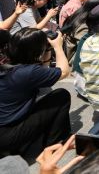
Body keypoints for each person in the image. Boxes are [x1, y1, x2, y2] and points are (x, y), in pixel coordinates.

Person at [0, 29, 71, 163]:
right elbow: (64, 72)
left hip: (3, 128)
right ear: (35, 52)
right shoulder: (27, 72)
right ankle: (54, 146)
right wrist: (58, 47)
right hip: (7, 136)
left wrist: (47, 50)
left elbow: (43, 73)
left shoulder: (7, 64)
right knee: (61, 95)